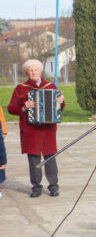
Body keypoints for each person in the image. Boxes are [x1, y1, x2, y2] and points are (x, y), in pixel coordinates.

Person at [7, 59, 64, 197]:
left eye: (36, 69)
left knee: (50, 158)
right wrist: (24, 107)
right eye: (30, 70)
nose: (33, 72)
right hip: (30, 130)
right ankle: (36, 187)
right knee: (34, 160)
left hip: (48, 129)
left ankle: (53, 186)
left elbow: (59, 107)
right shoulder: (21, 88)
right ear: (27, 72)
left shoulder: (50, 86)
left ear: (40, 71)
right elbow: (11, 108)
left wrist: (61, 102)